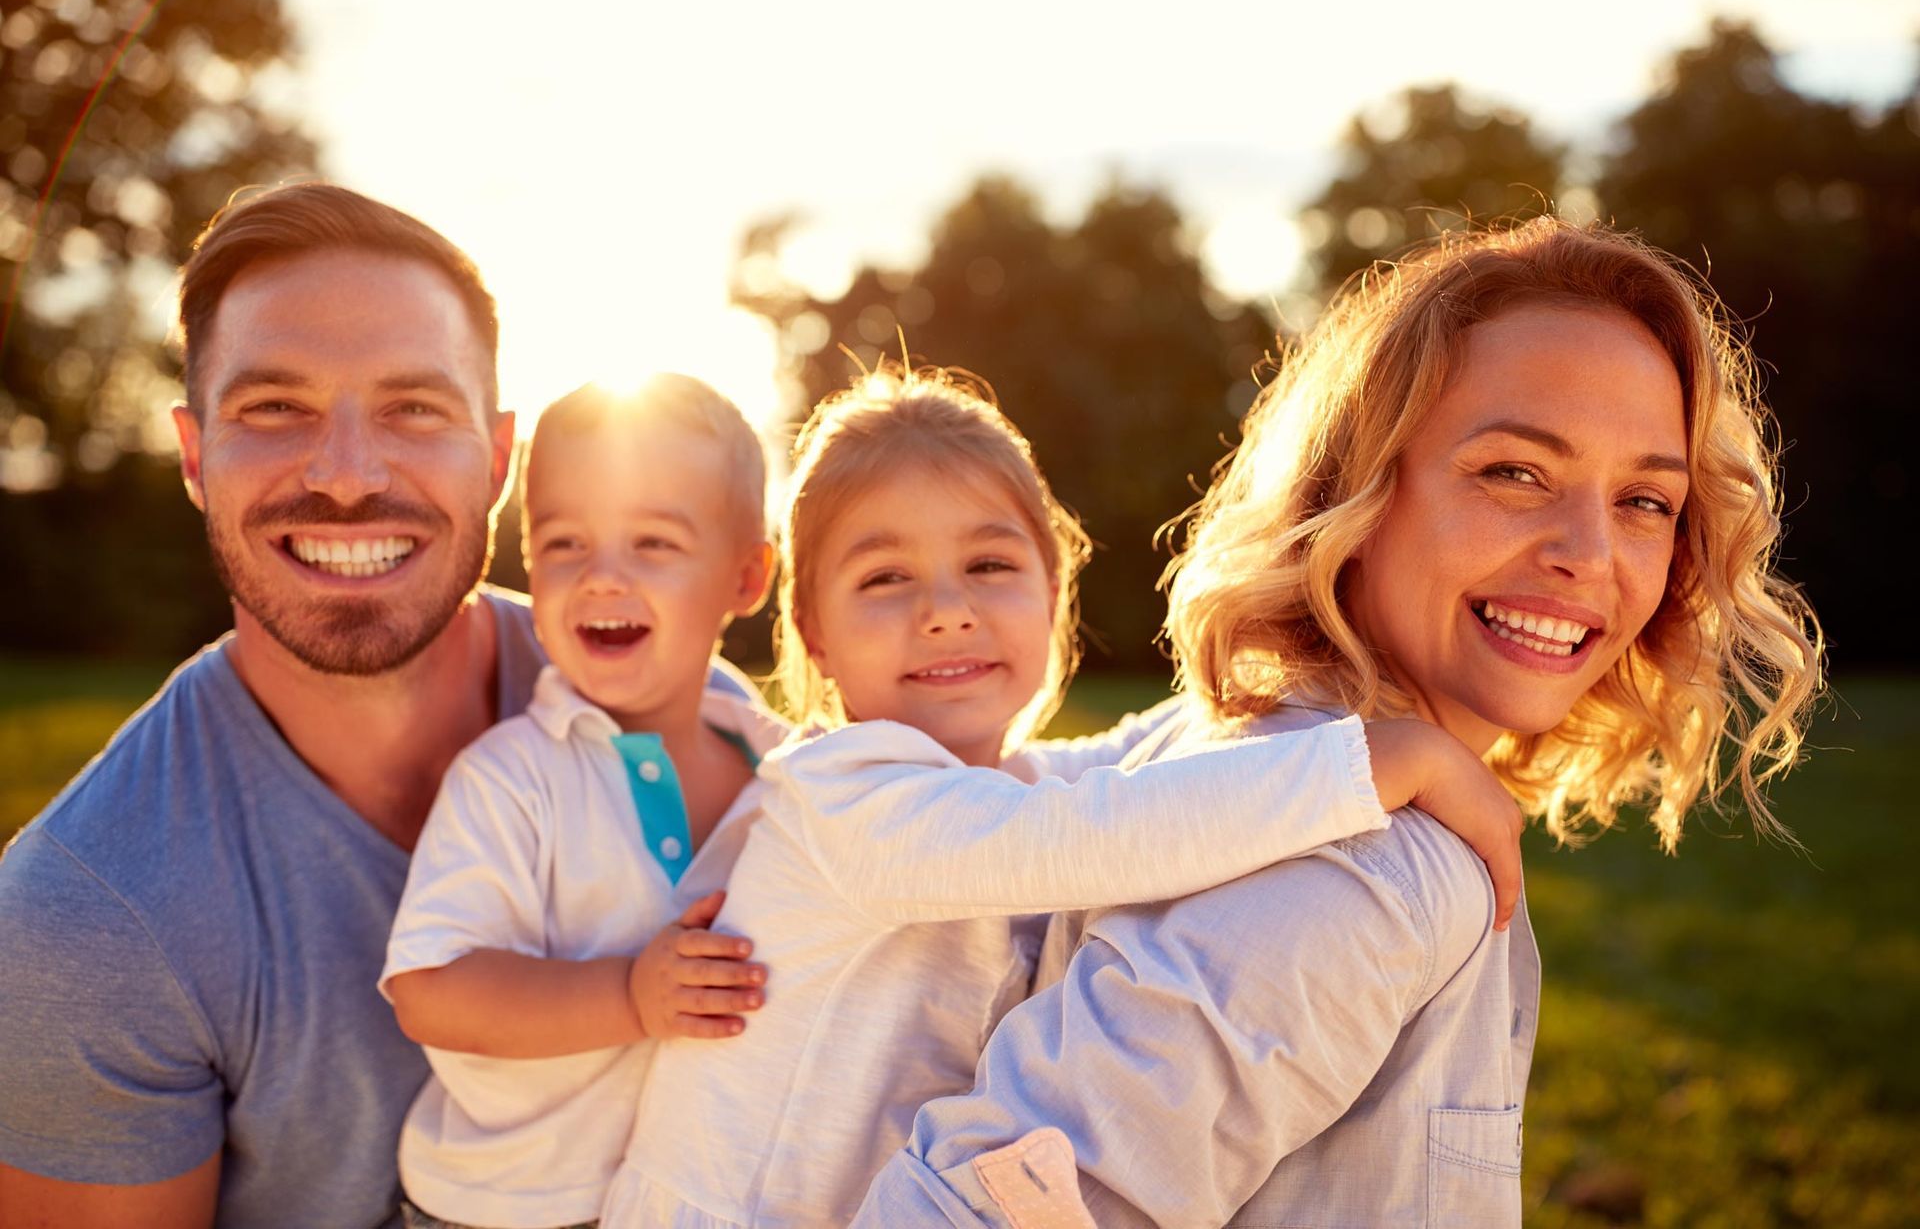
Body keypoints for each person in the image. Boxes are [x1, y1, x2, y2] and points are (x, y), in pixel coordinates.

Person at [851, 218, 1825, 1227]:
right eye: (1514, 472)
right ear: (1358, 488)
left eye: (1644, 499)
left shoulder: (1199, 752)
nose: (1588, 551)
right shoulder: (1363, 869)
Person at [599, 368, 1526, 1227]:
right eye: (884, 578)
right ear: (814, 632)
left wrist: (1304, 668)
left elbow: (1144, 753)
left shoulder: (1010, 785)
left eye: (991, 566)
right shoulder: (843, 793)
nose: (946, 609)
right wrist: (1368, 765)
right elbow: (1093, 832)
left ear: (1054, 586)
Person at [0, 184, 752, 1228]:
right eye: (275, 408)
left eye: (413, 407)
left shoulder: (673, 694)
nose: (348, 476)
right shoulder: (91, 913)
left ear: (496, 460)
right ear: (192, 454)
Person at [379, 377, 787, 1229]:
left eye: (653, 543)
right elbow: (430, 989)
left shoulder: (783, 765)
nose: (602, 577)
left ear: (746, 576)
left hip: (692, 1194)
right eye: (565, 544)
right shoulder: (514, 778)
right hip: (511, 1204)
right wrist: (630, 998)